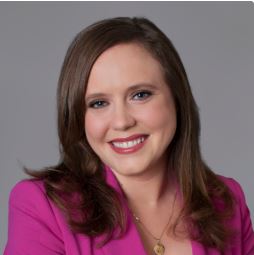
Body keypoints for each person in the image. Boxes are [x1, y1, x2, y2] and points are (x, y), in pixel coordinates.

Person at [4, 17, 254, 255]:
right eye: (99, 103)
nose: (122, 122)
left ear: (176, 99)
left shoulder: (226, 200)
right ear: (80, 116)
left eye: (140, 95)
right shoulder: (42, 206)